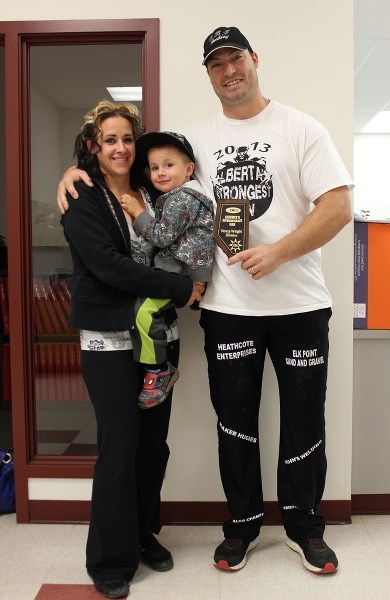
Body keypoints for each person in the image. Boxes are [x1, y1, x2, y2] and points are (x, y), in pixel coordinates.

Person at [57, 26, 353, 577]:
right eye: (215, 64)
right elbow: (121, 168)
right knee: (234, 425)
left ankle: (304, 527)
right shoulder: (190, 140)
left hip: (300, 307)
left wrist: (281, 252)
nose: (228, 71)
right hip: (227, 310)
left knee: (305, 420)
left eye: (234, 59)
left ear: (253, 60)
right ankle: (241, 527)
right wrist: (74, 170)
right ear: (208, 74)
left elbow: (337, 207)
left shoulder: (301, 128)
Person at [60, 99, 203, 599]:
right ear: (95, 148)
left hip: (161, 339)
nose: (120, 148)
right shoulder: (82, 195)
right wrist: (180, 290)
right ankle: (109, 558)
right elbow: (106, 266)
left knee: (152, 446)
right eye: (109, 140)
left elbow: (186, 238)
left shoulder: (154, 192)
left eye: (126, 138)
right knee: (119, 449)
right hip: (110, 341)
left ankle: (143, 534)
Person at [119, 131, 214, 409]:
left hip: (179, 269)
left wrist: (138, 211)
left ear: (188, 169)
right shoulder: (180, 194)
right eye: (154, 167)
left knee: (146, 312)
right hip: (182, 267)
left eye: (168, 165)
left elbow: (161, 236)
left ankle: (159, 370)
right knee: (150, 310)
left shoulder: (181, 198)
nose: (159, 173)